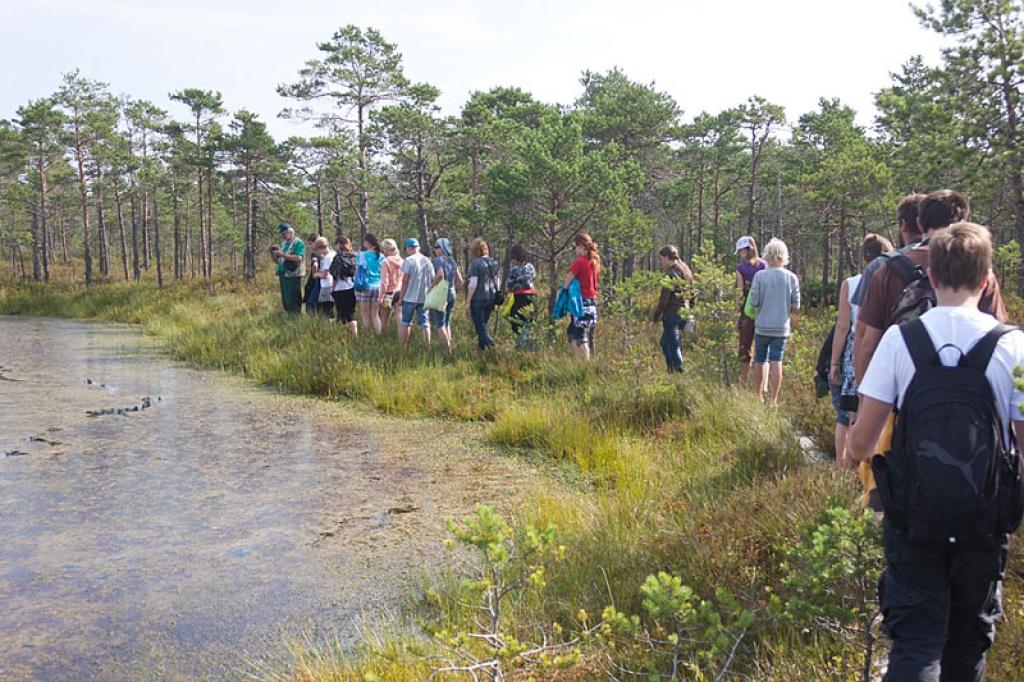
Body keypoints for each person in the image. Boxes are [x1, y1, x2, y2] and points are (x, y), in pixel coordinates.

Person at [848, 222, 1024, 682]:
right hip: (983, 523)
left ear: (929, 277)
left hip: (914, 519)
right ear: (986, 280)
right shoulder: (1013, 345)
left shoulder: (899, 341)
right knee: (967, 644)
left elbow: (861, 444)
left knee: (917, 643)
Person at [853, 190, 1008, 509]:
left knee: (894, 503)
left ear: (919, 223)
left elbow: (866, 343)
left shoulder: (887, 271)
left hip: (902, 412)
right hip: (976, 434)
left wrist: (865, 404)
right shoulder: (985, 281)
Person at [828, 233, 892, 469]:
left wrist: (834, 363)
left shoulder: (851, 283)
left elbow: (843, 326)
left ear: (865, 257)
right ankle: (866, 469)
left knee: (846, 413)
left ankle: (841, 466)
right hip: (883, 349)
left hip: (856, 352)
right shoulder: (895, 279)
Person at [747, 238, 800, 405]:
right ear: (783, 256)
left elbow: (754, 301)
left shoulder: (760, 276)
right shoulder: (791, 277)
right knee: (777, 360)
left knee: (760, 360)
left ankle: (758, 397)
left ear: (767, 255)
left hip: (762, 326)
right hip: (781, 327)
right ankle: (774, 400)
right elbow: (796, 305)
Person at [652, 245, 694, 373]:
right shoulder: (685, 270)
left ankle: (679, 371)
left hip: (671, 315)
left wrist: (655, 318)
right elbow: (693, 292)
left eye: (662, 258)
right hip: (684, 313)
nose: (661, 262)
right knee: (665, 343)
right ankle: (671, 370)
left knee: (673, 345)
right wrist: (690, 309)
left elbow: (663, 300)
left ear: (666, 257)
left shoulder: (670, 274)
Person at [562, 233, 600, 361]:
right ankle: (580, 359)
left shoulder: (579, 262)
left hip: (580, 302)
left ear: (581, 246)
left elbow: (568, 281)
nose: (575, 251)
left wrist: (563, 294)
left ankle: (584, 363)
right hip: (591, 301)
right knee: (573, 330)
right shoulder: (594, 262)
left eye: (575, 247)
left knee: (579, 333)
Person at [734, 236, 766, 385]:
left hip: (748, 314)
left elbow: (739, 293)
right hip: (766, 312)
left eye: (741, 251)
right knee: (764, 350)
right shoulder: (765, 266)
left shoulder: (741, 269)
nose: (740, 254)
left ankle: (743, 381)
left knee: (745, 348)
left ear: (747, 250)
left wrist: (736, 314)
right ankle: (762, 385)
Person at [466, 238, 500, 350]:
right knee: (483, 325)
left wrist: (468, 301)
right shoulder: (494, 263)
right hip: (490, 299)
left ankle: (493, 347)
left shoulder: (475, 264)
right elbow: (496, 282)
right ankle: (482, 351)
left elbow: (473, 284)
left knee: (480, 327)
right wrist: (496, 300)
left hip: (478, 299)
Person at [399, 238, 435, 345]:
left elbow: (405, 280)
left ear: (409, 248)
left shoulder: (408, 260)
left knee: (406, 322)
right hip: (423, 297)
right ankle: (426, 347)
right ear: (418, 247)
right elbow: (433, 279)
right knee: (425, 323)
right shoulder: (427, 261)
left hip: (409, 297)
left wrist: (401, 297)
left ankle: (403, 346)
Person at [430, 237, 463, 351]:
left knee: (440, 324)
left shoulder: (439, 260)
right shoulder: (452, 261)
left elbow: (440, 275)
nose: (435, 250)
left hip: (441, 293)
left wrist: (430, 288)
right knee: (447, 322)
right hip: (451, 292)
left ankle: (447, 349)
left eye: (436, 247)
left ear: (442, 248)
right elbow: (460, 280)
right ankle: (450, 345)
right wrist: (455, 291)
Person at [268, 223, 305, 313]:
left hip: (293, 274)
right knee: (286, 297)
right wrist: (272, 253)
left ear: (290, 232)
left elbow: (298, 258)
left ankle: (295, 314)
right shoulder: (284, 244)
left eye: (284, 233)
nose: (282, 236)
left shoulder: (298, 243)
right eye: (281, 234)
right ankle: (289, 314)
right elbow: (279, 261)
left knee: (293, 296)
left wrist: (283, 254)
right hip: (283, 273)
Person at [505, 244, 536, 347]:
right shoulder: (531, 267)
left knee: (516, 323)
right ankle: (526, 344)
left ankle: (521, 345)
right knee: (528, 322)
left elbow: (508, 285)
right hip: (531, 298)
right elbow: (533, 278)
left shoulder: (514, 270)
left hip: (518, 299)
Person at [329, 236, 358, 334]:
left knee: (341, 313)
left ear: (339, 245)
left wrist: (332, 289)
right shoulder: (354, 256)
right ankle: (355, 334)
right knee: (351, 313)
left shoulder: (338, 257)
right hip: (351, 287)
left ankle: (341, 334)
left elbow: (335, 275)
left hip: (339, 288)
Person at [357, 233, 384, 335]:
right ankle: (378, 334)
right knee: (375, 314)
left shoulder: (362, 255)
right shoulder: (381, 256)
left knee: (365, 315)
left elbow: (358, 271)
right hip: (378, 286)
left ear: (367, 242)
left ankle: (366, 336)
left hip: (365, 286)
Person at [379, 238, 404, 332]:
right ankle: (402, 339)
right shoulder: (402, 260)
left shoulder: (386, 262)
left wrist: (380, 297)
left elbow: (384, 282)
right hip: (399, 291)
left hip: (388, 293)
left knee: (384, 318)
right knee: (399, 317)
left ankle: (383, 339)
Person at [312, 236, 336, 317]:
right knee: (330, 309)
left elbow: (325, 275)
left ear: (320, 248)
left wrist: (316, 274)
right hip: (334, 285)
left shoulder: (327, 257)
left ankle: (329, 327)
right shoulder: (333, 254)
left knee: (326, 311)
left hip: (327, 286)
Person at [303, 234, 322, 315]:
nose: (309, 246)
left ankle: (312, 322)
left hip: (316, 281)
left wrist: (314, 275)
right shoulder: (325, 253)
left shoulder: (315, 254)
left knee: (310, 304)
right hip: (323, 281)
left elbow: (315, 265)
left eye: (310, 243)